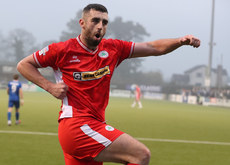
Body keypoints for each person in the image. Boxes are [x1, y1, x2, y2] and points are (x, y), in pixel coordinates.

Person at [17, 3, 200, 165]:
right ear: (82, 23)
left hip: (92, 125)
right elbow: (24, 65)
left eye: (104, 23)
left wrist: (179, 41)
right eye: (95, 21)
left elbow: (153, 48)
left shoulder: (113, 48)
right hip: (77, 126)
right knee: (141, 155)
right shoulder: (62, 50)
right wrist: (49, 86)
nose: (100, 26)